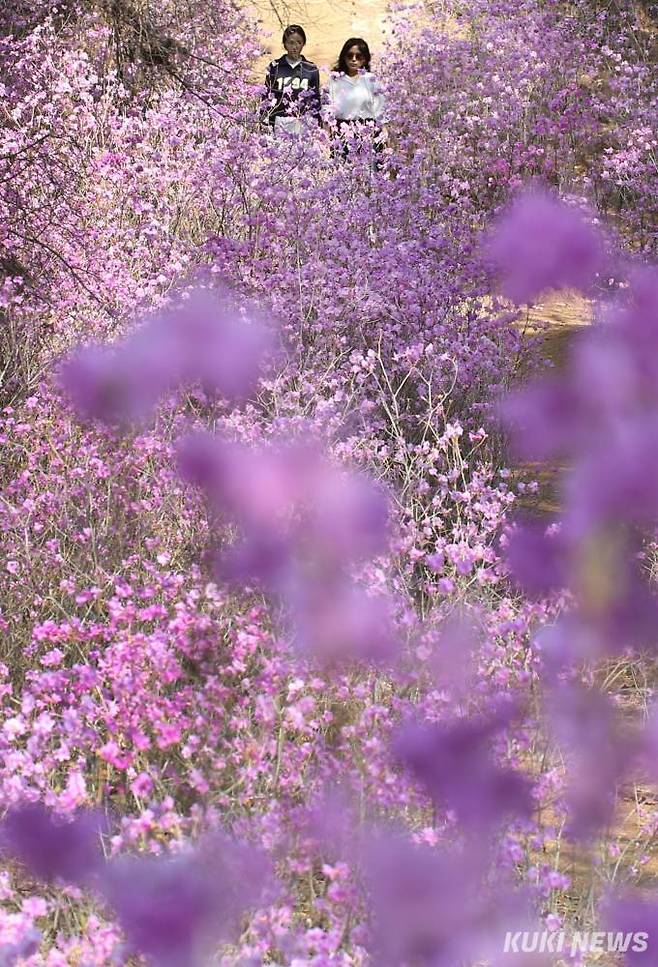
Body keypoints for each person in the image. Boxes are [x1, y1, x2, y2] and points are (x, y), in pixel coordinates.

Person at [325, 38, 387, 164]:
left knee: (368, 173)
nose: (354, 60)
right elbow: (327, 110)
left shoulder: (371, 80)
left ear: (364, 59)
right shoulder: (334, 80)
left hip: (368, 132)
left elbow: (380, 109)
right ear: (344, 57)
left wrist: (383, 133)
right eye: (349, 56)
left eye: (358, 56)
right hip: (341, 132)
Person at [262, 25, 321, 137]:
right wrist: (265, 120)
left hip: (302, 122)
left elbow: (316, 99)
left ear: (303, 43)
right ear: (284, 44)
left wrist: (317, 124)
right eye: (291, 42)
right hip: (279, 121)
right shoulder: (275, 66)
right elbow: (267, 95)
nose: (295, 47)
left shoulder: (311, 68)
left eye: (299, 42)